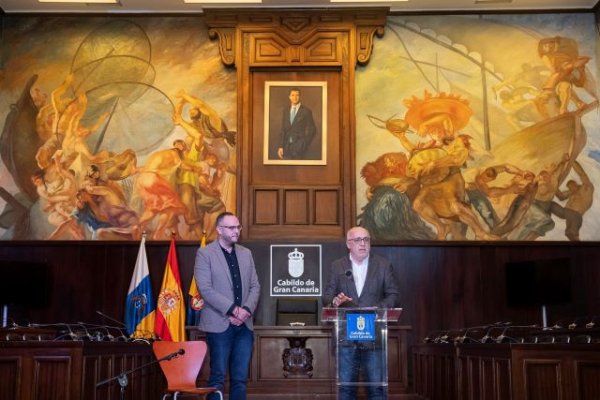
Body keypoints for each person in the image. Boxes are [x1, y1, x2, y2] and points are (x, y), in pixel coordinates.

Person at [323, 226, 399, 400]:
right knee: (346, 389)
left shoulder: (383, 265)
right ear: (349, 244)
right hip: (346, 337)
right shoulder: (337, 266)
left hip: (374, 334)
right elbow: (327, 296)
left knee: (376, 389)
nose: (363, 243)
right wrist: (335, 301)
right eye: (358, 240)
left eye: (366, 239)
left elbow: (393, 295)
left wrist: (378, 309)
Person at [194, 212, 261, 400]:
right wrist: (233, 310)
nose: (237, 231)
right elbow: (205, 289)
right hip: (219, 325)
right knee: (217, 378)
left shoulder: (246, 253)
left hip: (244, 326)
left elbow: (255, 286)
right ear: (219, 230)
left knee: (240, 379)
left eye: (238, 227)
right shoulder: (205, 253)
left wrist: (245, 311)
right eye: (231, 228)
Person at [277, 87, 317, 160]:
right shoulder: (285, 111)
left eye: (297, 95)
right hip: (286, 148)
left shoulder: (306, 111)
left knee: (300, 170)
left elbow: (312, 130)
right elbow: (283, 129)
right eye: (292, 95)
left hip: (300, 149)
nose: (295, 97)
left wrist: (304, 143)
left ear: (300, 96)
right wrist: (280, 146)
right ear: (289, 97)